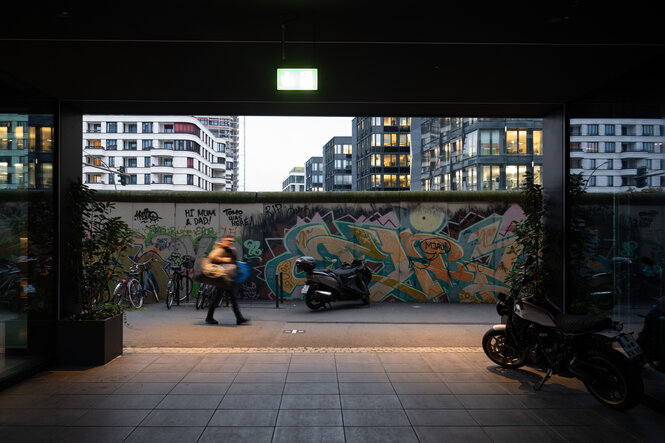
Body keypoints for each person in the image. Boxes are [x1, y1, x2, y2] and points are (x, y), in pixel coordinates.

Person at [205, 235, 250, 325]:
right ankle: (209, 317)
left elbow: (234, 261)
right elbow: (211, 257)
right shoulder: (220, 249)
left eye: (231, 241)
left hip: (230, 278)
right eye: (228, 240)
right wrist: (223, 259)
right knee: (217, 298)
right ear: (224, 240)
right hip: (222, 278)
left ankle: (239, 318)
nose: (230, 242)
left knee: (233, 298)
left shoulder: (231, 249)